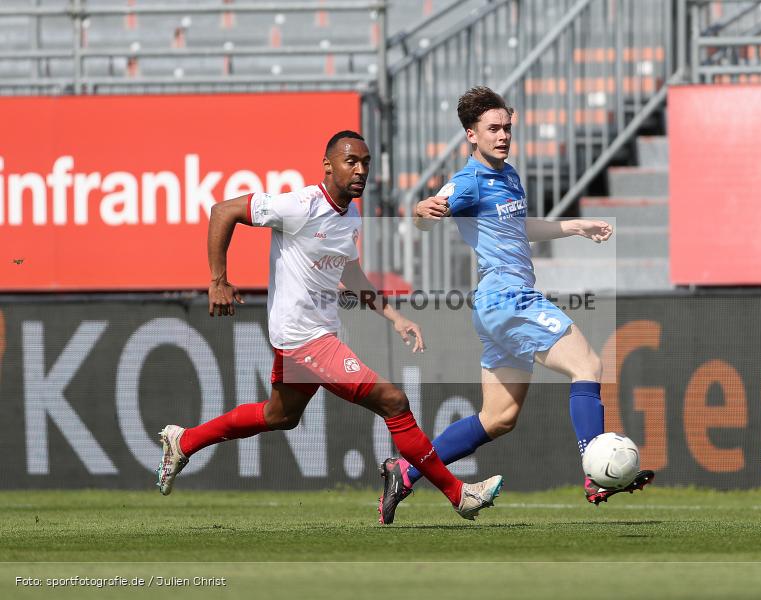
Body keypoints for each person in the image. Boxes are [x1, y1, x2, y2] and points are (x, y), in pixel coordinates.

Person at [155, 130, 504, 524]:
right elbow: (223, 211)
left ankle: (184, 441)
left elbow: (351, 273)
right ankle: (458, 495)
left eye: (365, 163)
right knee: (394, 402)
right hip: (303, 339)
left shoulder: (350, 216)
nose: (360, 170)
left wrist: (395, 317)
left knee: (279, 416)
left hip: (315, 335)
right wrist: (218, 280)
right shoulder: (299, 205)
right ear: (327, 165)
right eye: (350, 161)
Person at [378, 88, 653, 524]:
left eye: (507, 127)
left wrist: (573, 227)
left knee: (498, 418)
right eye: (493, 129)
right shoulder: (468, 181)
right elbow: (428, 216)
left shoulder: (508, 175)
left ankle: (406, 472)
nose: (503, 135)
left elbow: (518, 227)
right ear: (471, 135)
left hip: (496, 307)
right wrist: (420, 211)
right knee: (588, 365)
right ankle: (595, 473)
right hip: (509, 299)